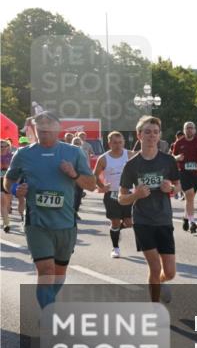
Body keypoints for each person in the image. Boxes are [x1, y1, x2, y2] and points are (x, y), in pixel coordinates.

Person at [4, 112, 96, 308]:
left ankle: (49, 303)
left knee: (59, 272)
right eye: (40, 129)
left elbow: (91, 185)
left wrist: (73, 174)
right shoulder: (23, 154)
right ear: (35, 129)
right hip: (37, 222)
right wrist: (14, 189)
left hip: (65, 222)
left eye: (49, 129)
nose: (44, 132)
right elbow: (8, 180)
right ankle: (49, 313)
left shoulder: (74, 153)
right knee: (46, 271)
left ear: (58, 129)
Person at [118, 116, 180, 303]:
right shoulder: (132, 165)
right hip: (143, 221)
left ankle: (159, 283)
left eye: (155, 132)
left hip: (164, 219)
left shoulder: (168, 161)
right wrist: (136, 195)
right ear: (139, 135)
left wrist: (170, 189)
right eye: (147, 132)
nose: (152, 136)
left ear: (159, 135)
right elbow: (121, 198)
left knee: (169, 272)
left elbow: (178, 186)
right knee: (154, 267)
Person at [94, 131, 132, 258]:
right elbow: (95, 175)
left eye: (120, 142)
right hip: (112, 194)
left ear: (124, 142)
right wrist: (102, 186)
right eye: (115, 142)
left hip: (128, 193)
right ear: (109, 143)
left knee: (129, 223)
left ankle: (115, 231)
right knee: (115, 222)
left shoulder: (130, 154)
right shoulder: (104, 158)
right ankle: (115, 248)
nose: (118, 145)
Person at [171, 121, 197, 234]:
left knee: (190, 198)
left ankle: (186, 218)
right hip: (183, 173)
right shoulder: (179, 143)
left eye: (191, 128)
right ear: (184, 130)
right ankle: (193, 222)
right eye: (187, 128)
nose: (189, 130)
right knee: (189, 194)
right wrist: (177, 157)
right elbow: (173, 157)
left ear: (195, 130)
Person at [2, 139, 12, 232]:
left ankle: (6, 219)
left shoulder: (12, 156)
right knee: (2, 202)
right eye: (1, 146)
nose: (3, 148)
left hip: (8, 180)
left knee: (8, 203)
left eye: (5, 146)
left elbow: (13, 167)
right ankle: (6, 224)